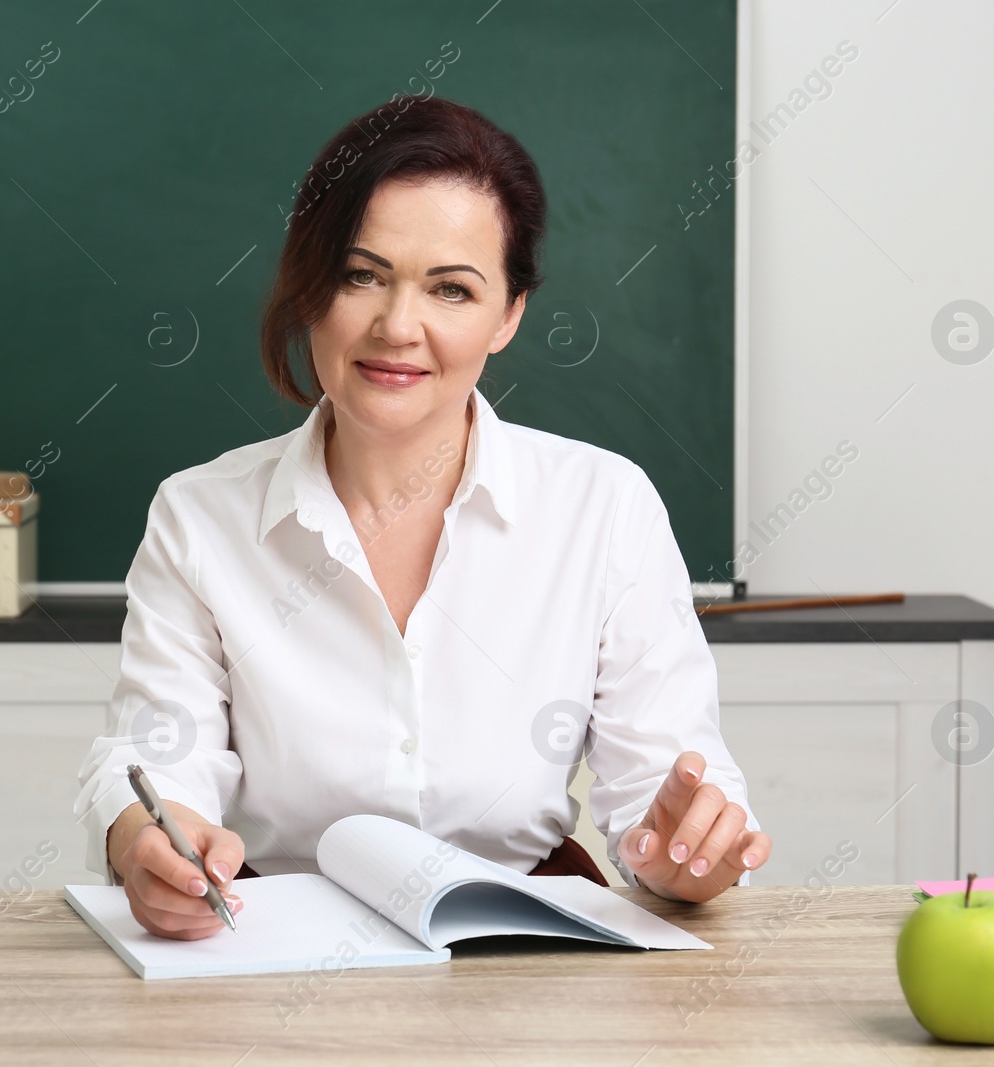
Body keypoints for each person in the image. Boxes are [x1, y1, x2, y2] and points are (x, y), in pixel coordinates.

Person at [75, 95, 770, 940]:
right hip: (265, 937)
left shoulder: (605, 505)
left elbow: (664, 790)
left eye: (451, 289)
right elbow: (156, 752)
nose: (398, 326)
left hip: (528, 945)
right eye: (361, 274)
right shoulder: (200, 514)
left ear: (508, 314)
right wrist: (148, 838)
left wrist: (685, 852)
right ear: (309, 286)